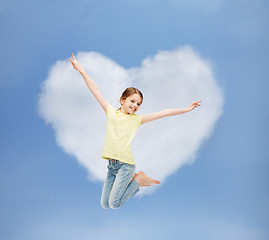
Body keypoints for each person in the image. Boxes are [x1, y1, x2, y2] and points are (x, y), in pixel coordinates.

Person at [69, 53, 201, 209]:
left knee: (114, 203)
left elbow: (162, 113)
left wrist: (186, 109)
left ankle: (139, 180)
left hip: (126, 166)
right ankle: (138, 180)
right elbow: (95, 90)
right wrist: (81, 70)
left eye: (138, 104)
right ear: (122, 100)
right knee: (105, 204)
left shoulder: (136, 120)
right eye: (132, 101)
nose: (135, 106)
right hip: (112, 166)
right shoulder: (111, 112)